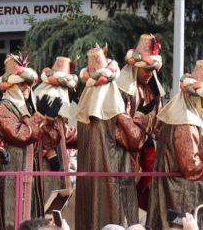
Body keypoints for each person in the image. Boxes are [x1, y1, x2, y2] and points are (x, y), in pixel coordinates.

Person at [146, 60, 203, 230]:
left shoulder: (179, 115)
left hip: (174, 191)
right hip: (180, 195)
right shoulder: (186, 123)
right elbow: (190, 166)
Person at [73, 46, 145, 229]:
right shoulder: (115, 112)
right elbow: (136, 140)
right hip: (112, 184)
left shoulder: (84, 113)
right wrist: (141, 117)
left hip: (88, 185)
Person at [0, 53, 58, 230]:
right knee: (12, 215)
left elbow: (41, 137)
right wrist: (39, 117)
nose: (27, 88)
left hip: (29, 171)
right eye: (22, 84)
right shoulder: (4, 107)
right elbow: (20, 134)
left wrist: (49, 120)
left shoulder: (27, 108)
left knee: (31, 215)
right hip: (12, 171)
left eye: (29, 85)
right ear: (12, 85)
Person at [115, 34, 165, 210]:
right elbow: (120, 125)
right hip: (126, 156)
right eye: (146, 70)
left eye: (153, 71)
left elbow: (158, 122)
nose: (150, 75)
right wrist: (139, 124)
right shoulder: (124, 91)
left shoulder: (151, 91)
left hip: (147, 155)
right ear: (135, 67)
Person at [32, 56, 79, 205]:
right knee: (48, 196)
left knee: (60, 197)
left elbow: (70, 130)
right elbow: (40, 131)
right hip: (46, 160)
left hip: (63, 158)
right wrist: (50, 153)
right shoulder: (46, 98)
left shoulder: (66, 101)